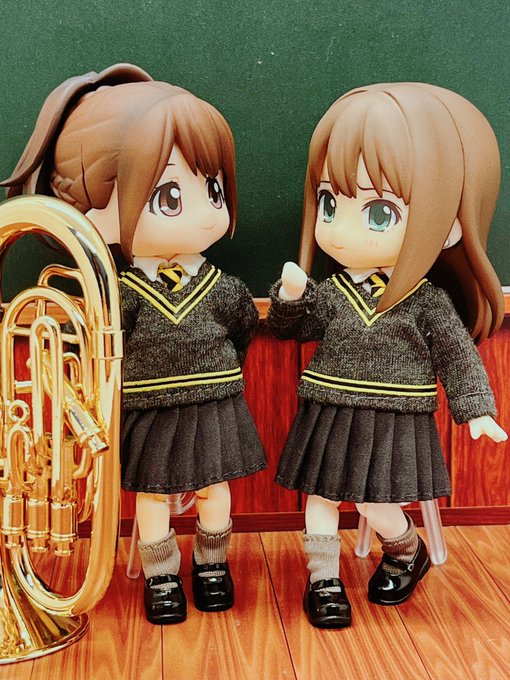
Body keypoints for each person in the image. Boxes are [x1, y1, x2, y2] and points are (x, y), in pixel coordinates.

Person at [1, 64, 266, 624]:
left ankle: (213, 565)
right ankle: (161, 574)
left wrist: (221, 378)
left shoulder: (223, 288)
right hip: (150, 410)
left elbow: (243, 327)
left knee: (216, 491)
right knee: (152, 495)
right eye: (168, 195)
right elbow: (101, 350)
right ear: (96, 209)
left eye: (213, 189)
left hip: (213, 405)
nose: (204, 211)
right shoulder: (120, 292)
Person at [267, 82, 507, 629]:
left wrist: (476, 409)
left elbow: (457, 355)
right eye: (330, 204)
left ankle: (405, 550)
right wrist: (290, 298)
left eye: (378, 213)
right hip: (330, 409)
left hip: (396, 416)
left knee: (376, 501)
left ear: (448, 223)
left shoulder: (426, 302)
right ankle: (323, 581)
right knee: (321, 498)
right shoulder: (333, 292)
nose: (340, 229)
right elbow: (291, 330)